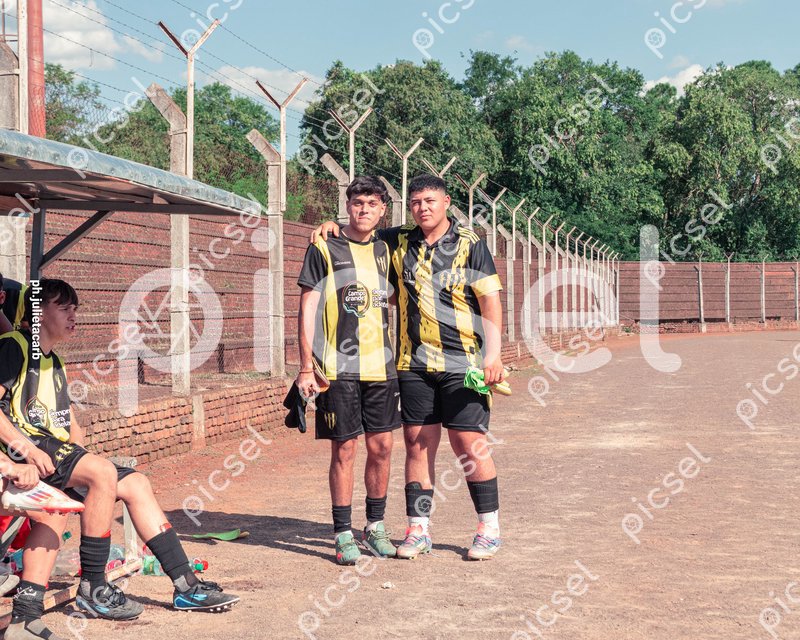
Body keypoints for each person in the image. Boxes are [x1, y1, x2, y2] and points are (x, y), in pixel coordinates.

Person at [0, 279, 240, 622]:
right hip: (26, 452)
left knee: (136, 482)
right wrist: (22, 449)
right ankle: (94, 588)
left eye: (75, 309)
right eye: (64, 308)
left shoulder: (55, 361)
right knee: (102, 472)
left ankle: (186, 585)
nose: (73, 315)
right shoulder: (14, 346)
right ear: (37, 314)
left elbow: (70, 426)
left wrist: (83, 458)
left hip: (54, 452)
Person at [311, 174, 506, 560]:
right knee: (417, 443)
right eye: (416, 202)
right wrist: (330, 223)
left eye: (430, 201)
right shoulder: (397, 239)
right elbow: (360, 229)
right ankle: (418, 529)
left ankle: (488, 528)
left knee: (468, 442)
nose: (423, 208)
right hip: (412, 363)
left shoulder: (471, 244)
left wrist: (493, 356)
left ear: (446, 202)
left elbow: (490, 302)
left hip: (463, 361)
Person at [297, 176, 401, 565]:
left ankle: (375, 527)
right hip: (337, 368)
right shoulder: (324, 246)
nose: (364, 210)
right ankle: (342, 533)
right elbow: (307, 307)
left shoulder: (387, 247)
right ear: (348, 206)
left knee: (383, 447)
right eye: (358, 203)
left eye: (372, 204)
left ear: (383, 210)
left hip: (382, 366)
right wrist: (305, 366)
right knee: (345, 448)